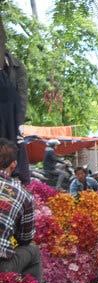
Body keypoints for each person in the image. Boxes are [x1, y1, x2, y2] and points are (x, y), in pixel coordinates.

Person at [0, 139, 41, 282]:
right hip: (2, 268)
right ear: (13, 164)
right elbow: (25, 238)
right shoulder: (22, 194)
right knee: (33, 251)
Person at [0, 23, 30, 185]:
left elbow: (22, 97)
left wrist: (18, 123)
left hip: (11, 116)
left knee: (12, 149)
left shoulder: (17, 67)